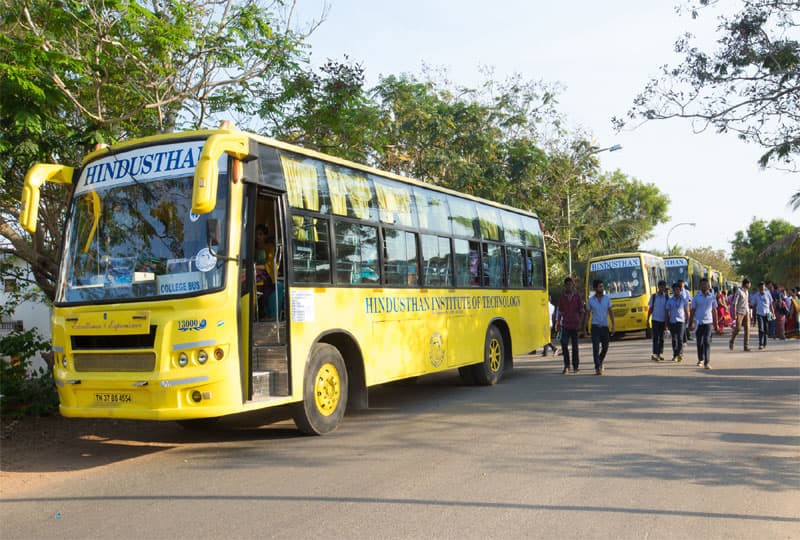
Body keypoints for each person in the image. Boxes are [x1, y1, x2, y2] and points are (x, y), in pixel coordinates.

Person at [583, 279, 615, 376]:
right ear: (595, 288)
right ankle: (598, 367)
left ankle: (600, 361)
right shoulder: (591, 300)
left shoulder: (607, 299)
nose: (602, 288)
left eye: (602, 286)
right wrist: (584, 328)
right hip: (595, 326)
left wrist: (613, 325)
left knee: (605, 346)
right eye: (600, 286)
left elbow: (610, 312)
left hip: (605, 326)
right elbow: (587, 315)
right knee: (595, 347)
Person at [688, 277, 718, 370]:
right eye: (702, 285)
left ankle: (707, 362)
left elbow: (714, 311)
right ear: (699, 286)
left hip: (708, 322)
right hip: (698, 322)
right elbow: (692, 310)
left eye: (705, 284)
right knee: (699, 341)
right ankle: (700, 359)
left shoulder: (712, 297)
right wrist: (690, 323)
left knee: (707, 341)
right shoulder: (696, 297)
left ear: (708, 286)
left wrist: (716, 324)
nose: (704, 286)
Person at [555, 277, 584, 374]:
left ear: (573, 285)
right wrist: (557, 323)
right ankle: (566, 365)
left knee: (575, 347)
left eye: (570, 284)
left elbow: (582, 311)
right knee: (564, 344)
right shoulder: (562, 298)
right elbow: (560, 312)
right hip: (565, 324)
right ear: (565, 286)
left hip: (575, 324)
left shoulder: (577, 297)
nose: (569, 286)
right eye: (567, 285)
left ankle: (576, 366)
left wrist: (580, 323)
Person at [666, 282, 690, 362]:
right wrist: (667, 323)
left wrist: (688, 321)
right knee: (674, 339)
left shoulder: (683, 300)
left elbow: (687, 311)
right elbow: (667, 312)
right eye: (675, 290)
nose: (676, 291)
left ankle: (680, 354)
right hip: (672, 321)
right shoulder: (670, 300)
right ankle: (675, 354)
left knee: (680, 338)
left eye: (678, 290)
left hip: (681, 321)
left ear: (680, 290)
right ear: (673, 290)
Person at [647, 280, 669, 361]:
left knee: (661, 338)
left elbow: (667, 310)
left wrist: (667, 322)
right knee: (655, 337)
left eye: (663, 287)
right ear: (658, 287)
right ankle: (655, 353)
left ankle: (660, 353)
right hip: (655, 320)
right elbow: (650, 309)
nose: (662, 288)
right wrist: (647, 319)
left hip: (663, 320)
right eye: (660, 286)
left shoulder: (666, 297)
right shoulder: (653, 297)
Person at [728, 279, 751, 351]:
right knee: (738, 328)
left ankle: (746, 346)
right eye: (749, 283)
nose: (750, 285)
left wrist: (749, 312)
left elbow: (747, 302)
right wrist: (735, 314)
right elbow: (735, 303)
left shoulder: (747, 292)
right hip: (739, 312)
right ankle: (732, 340)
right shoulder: (739, 291)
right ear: (746, 284)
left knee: (747, 329)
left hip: (746, 311)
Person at [750, 282, 775, 350]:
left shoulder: (768, 294)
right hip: (759, 313)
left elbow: (771, 305)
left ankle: (765, 344)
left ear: (765, 288)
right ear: (759, 288)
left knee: (766, 329)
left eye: (763, 288)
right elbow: (754, 305)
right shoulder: (756, 295)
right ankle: (760, 344)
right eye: (761, 288)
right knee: (761, 328)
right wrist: (753, 316)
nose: (762, 290)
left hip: (767, 313)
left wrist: (773, 314)